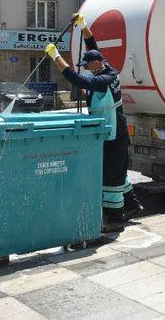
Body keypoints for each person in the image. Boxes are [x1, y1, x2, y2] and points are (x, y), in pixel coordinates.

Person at [45, 13, 143, 233]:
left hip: (114, 135)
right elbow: (92, 45)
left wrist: (56, 56)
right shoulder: (103, 66)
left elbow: (77, 79)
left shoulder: (105, 79)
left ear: (96, 64)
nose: (87, 68)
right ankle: (133, 205)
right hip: (109, 132)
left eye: (88, 65)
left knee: (110, 178)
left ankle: (115, 219)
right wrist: (84, 27)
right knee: (118, 174)